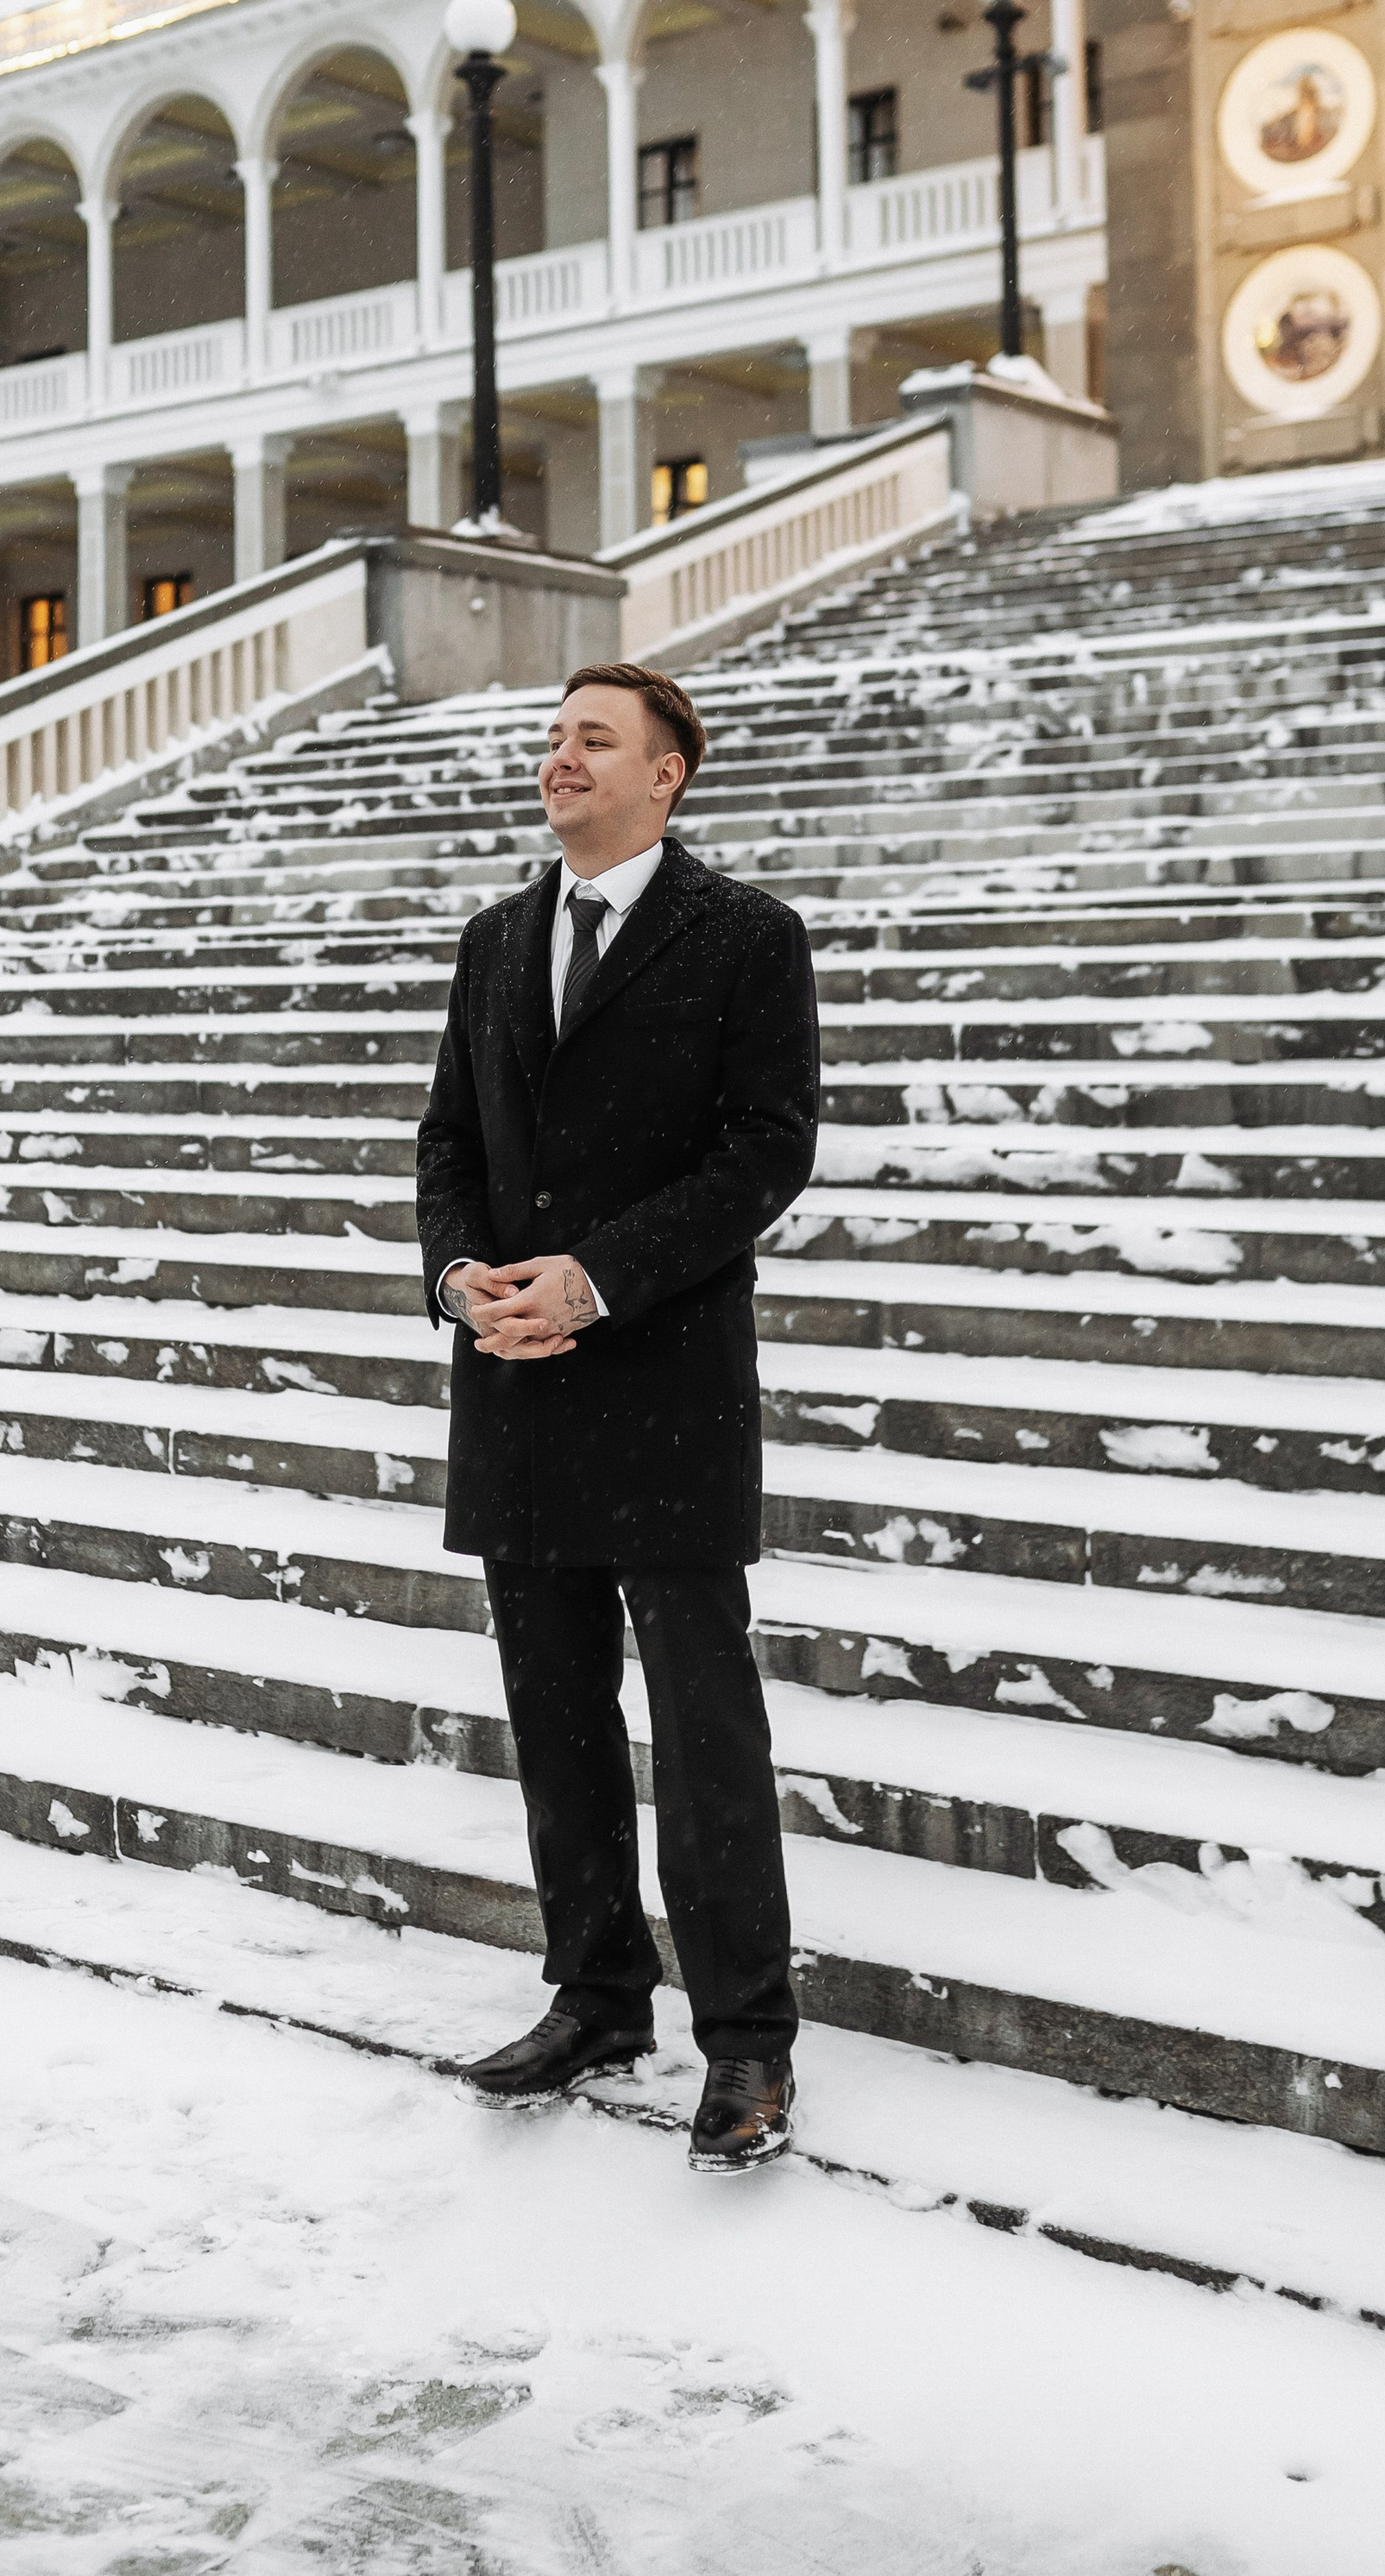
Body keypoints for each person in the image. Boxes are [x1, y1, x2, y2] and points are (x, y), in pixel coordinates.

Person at [417, 661, 821, 2173]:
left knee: (704, 1726)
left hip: (664, 1384)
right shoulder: (493, 939)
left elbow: (766, 1152)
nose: (561, 758)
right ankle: (594, 1999)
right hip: (514, 1383)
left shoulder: (748, 936)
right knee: (555, 1715)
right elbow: (448, 1142)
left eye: (595, 738)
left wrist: (595, 1280)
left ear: (667, 774)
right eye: (553, 737)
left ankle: (748, 2040)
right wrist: (459, 1276)